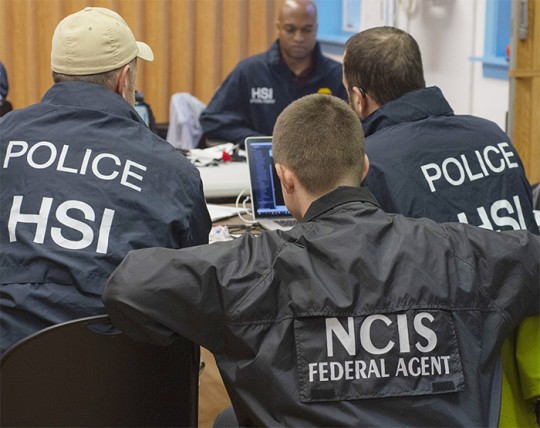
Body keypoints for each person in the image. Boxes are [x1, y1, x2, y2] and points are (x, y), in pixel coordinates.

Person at [103, 94, 540, 427]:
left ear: (285, 179)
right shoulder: (462, 253)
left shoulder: (247, 269)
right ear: (364, 168)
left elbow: (128, 285)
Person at [342, 26, 539, 426]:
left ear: (359, 99)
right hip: (522, 354)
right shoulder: (491, 133)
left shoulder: (368, 161)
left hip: (441, 371)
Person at [0, 7, 211, 355]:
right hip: (126, 379)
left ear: (56, 74)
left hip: (10, 371)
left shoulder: (5, 135)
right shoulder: (171, 170)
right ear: (124, 79)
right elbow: (195, 287)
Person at [198, 0, 347, 146]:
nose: (298, 38)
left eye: (307, 30)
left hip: (320, 161)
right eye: (290, 29)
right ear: (278, 28)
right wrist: (261, 142)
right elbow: (213, 120)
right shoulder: (250, 72)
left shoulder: (338, 76)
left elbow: (352, 130)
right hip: (261, 157)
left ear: (316, 29)